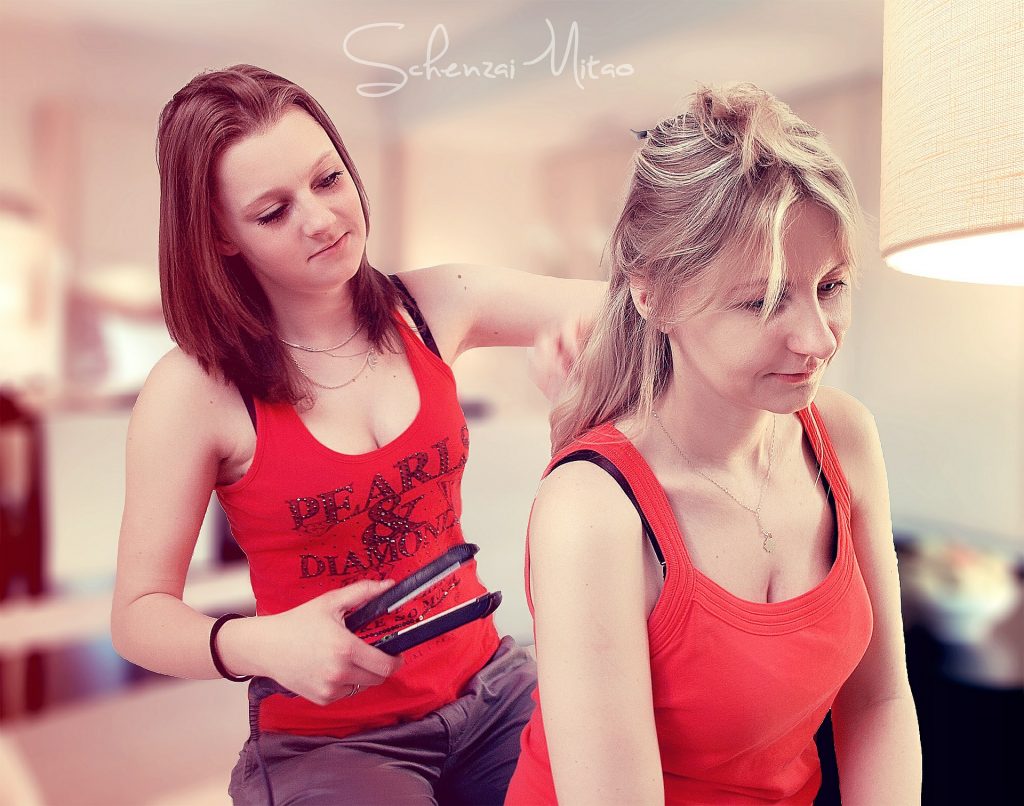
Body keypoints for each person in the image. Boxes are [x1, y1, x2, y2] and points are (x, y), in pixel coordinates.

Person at [109, 64, 602, 805]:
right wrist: (259, 643)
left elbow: (632, 305)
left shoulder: (437, 304)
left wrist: (588, 379)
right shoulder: (193, 390)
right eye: (273, 212)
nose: (320, 219)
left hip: (493, 687)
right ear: (221, 236)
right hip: (331, 742)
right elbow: (137, 616)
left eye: (328, 179)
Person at [506, 84, 922, 804]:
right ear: (653, 295)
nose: (819, 341)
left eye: (831, 286)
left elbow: (880, 702)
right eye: (762, 301)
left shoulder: (843, 434)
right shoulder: (591, 511)